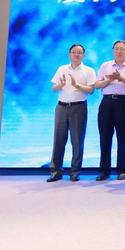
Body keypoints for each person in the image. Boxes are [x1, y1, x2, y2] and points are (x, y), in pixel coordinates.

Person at [47, 44, 96, 182]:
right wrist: (61, 84)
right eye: (74, 52)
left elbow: (91, 90)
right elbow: (54, 88)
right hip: (61, 107)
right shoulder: (62, 69)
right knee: (58, 139)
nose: (76, 55)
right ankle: (56, 171)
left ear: (83, 55)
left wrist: (76, 85)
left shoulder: (88, 70)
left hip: (79, 107)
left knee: (77, 140)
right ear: (69, 54)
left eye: (79, 52)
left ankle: (75, 171)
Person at [94, 40, 125, 181]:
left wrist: (120, 78)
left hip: (123, 102)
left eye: (122, 49)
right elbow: (97, 85)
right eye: (116, 49)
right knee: (105, 136)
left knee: (122, 136)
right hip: (106, 102)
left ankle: (122, 170)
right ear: (113, 51)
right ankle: (104, 171)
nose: (119, 52)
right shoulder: (105, 65)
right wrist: (109, 80)